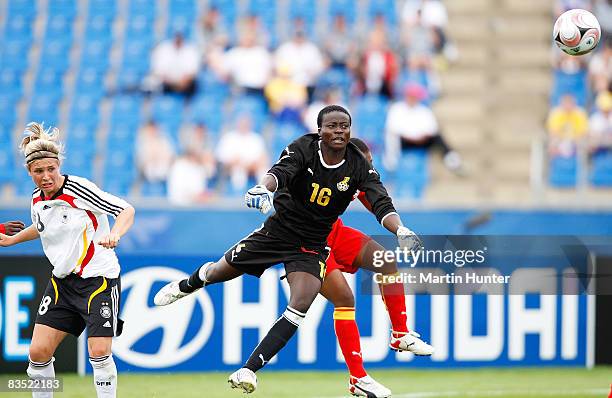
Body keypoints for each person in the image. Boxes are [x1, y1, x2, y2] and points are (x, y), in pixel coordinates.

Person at [154, 105, 423, 394]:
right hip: (277, 233)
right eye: (332, 126)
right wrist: (263, 188)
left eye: (344, 126)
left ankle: (248, 369)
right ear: (319, 130)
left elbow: (380, 201)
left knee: (301, 303)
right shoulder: (303, 148)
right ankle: (188, 284)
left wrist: (401, 230)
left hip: (312, 244)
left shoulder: (358, 164)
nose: (338, 132)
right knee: (221, 271)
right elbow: (280, 172)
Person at [0, 122, 135, 398]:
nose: (46, 176)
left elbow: (126, 209)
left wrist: (116, 234)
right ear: (29, 172)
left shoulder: (79, 189)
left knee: (98, 352)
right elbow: (41, 227)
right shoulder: (37, 199)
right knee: (37, 353)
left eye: (51, 169)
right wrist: (14, 239)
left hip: (98, 279)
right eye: (39, 171)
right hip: (62, 283)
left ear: (58, 165)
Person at [321, 137, 433, 398]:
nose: (371, 168)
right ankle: (357, 377)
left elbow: (379, 204)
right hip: (306, 243)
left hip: (333, 233)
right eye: (367, 162)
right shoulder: (319, 169)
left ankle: (400, 333)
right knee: (345, 300)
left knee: (386, 261)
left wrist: (400, 229)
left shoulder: (356, 176)